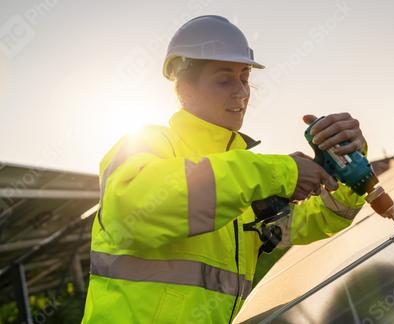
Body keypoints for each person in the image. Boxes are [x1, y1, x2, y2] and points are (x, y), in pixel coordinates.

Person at [82, 15, 369, 323]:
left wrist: (348, 168)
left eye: (245, 78)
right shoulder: (146, 142)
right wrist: (280, 173)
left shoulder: (244, 181)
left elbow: (316, 220)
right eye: (223, 80)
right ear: (182, 87)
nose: (242, 92)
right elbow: (136, 209)